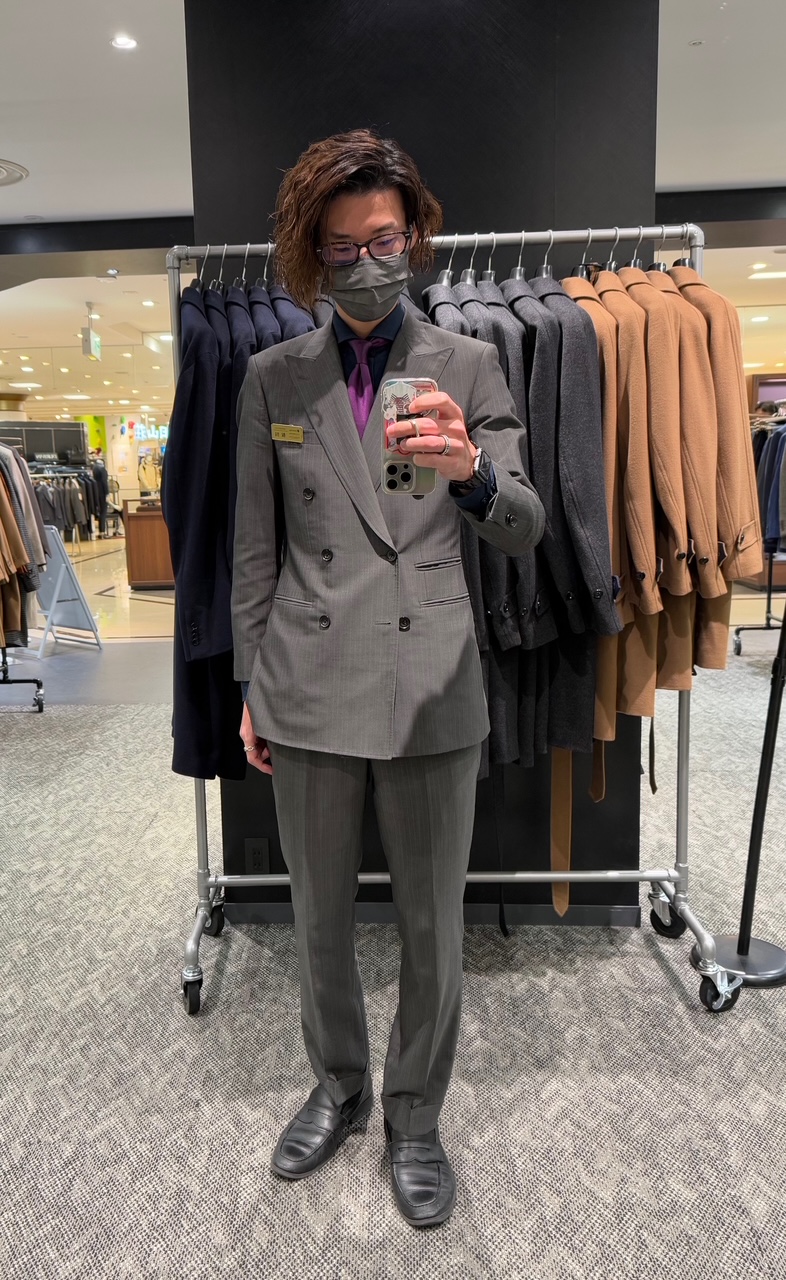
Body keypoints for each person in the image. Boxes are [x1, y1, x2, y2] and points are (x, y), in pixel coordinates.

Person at [232, 130, 545, 1227]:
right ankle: (339, 1085)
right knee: (317, 916)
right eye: (341, 246)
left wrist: (472, 474)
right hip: (308, 675)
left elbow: (525, 524)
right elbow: (257, 549)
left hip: (431, 676)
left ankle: (415, 1113)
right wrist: (253, 683)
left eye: (384, 239)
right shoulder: (272, 376)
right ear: (311, 255)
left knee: (431, 925)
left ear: (414, 237)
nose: (366, 262)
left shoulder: (469, 364)